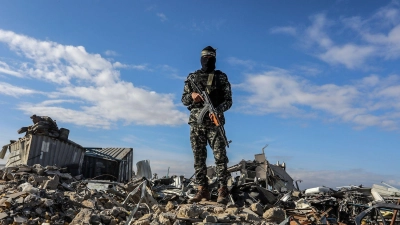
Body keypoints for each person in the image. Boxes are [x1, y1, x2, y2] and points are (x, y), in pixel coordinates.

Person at [181, 46, 232, 204]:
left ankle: (222, 189)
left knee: (220, 157)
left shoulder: (221, 78)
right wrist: (192, 96)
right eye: (205, 58)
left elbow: (229, 101)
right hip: (197, 124)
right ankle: (202, 190)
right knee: (198, 158)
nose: (208, 61)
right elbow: (184, 100)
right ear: (201, 59)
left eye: (211, 58)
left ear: (215, 59)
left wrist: (217, 109)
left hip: (215, 124)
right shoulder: (192, 77)